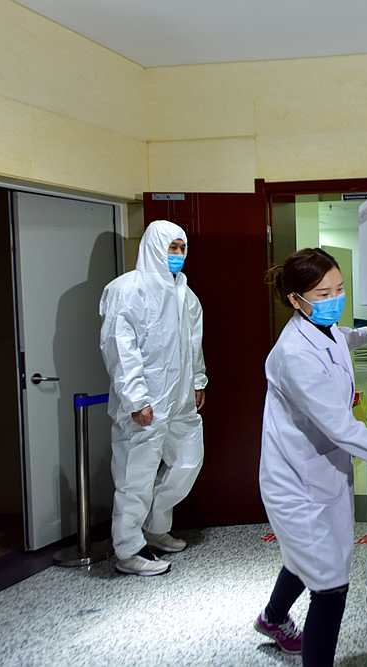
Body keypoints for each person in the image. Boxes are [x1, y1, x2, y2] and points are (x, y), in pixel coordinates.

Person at [255, 248, 367, 665]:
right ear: (295, 300)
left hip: (326, 473)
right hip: (295, 482)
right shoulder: (294, 355)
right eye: (323, 293)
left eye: (339, 289)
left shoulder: (324, 329)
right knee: (331, 584)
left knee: (313, 559)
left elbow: (344, 337)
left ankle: (272, 617)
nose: (334, 299)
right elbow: (342, 429)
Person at [99, 220, 207, 576]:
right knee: (135, 477)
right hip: (144, 401)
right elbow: (119, 349)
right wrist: (135, 399)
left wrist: (198, 381)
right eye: (171, 248)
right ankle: (128, 550)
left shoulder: (186, 295)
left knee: (188, 462)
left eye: (182, 248)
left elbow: (193, 345)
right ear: (153, 247)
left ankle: (155, 526)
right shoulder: (126, 290)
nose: (177, 255)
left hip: (180, 399)